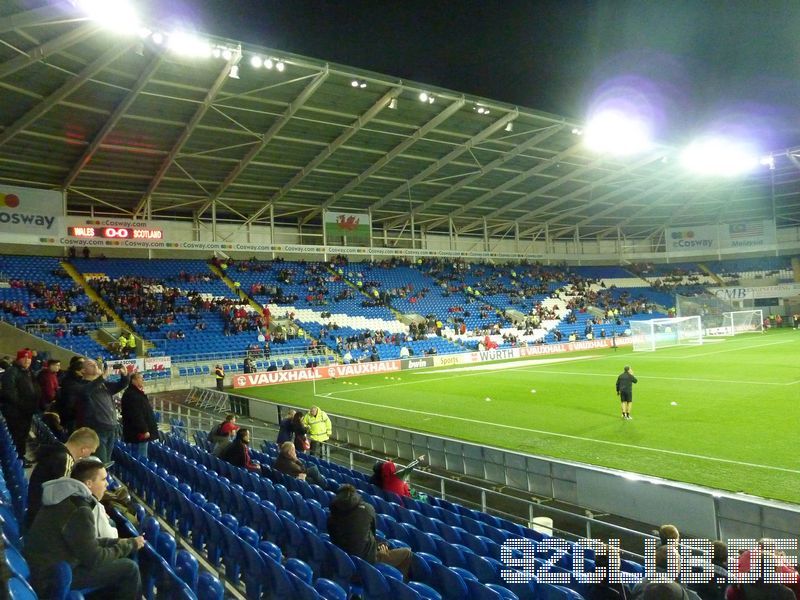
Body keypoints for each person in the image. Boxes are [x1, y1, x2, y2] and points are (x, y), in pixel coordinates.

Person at [23, 459, 144, 599]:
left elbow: (87, 543)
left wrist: (120, 542)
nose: (107, 484)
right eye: (103, 479)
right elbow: (94, 558)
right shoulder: (80, 510)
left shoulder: (65, 497)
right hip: (52, 578)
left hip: (46, 567)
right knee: (130, 569)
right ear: (89, 484)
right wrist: (128, 545)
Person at [327, 484, 412, 579]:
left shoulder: (332, 516)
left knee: (384, 544)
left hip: (343, 560)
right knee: (407, 552)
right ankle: (398, 585)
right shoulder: (368, 509)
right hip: (366, 562)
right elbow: (372, 533)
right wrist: (378, 548)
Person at [26, 426, 100, 528]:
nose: (89, 455)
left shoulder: (55, 449)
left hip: (34, 509)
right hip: (41, 519)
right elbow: (63, 499)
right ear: (84, 449)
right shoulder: (65, 460)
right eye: (91, 452)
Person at [78, 359, 131, 463]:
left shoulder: (103, 384)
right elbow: (86, 391)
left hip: (111, 427)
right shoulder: (82, 386)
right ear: (83, 371)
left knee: (107, 460)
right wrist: (102, 377)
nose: (95, 365)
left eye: (95, 364)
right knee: (101, 462)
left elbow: (121, 385)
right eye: (90, 364)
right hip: (97, 429)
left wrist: (125, 376)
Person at [0, 349, 39, 465]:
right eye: (24, 358)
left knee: (22, 436)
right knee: (17, 436)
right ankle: (18, 459)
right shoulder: (12, 372)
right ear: (19, 359)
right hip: (16, 412)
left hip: (26, 411)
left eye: (29, 358)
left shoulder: (27, 372)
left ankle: (20, 457)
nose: (27, 360)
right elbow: (10, 392)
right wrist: (23, 405)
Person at [120, 371, 158, 458]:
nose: (143, 380)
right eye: (140, 378)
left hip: (135, 432)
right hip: (138, 433)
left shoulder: (132, 393)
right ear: (133, 380)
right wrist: (144, 430)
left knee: (137, 455)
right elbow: (136, 415)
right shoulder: (133, 395)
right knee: (141, 457)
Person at [56, 356, 84, 433]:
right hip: (72, 418)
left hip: (71, 416)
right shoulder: (72, 383)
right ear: (77, 371)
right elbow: (70, 403)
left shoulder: (74, 380)